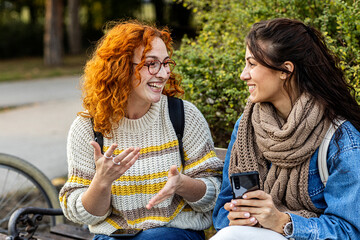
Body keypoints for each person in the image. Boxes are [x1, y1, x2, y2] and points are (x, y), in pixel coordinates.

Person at [59, 20, 223, 240]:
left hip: (173, 233)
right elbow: (83, 214)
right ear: (121, 68)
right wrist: (102, 182)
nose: (164, 73)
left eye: (166, 63)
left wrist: (182, 184)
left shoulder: (183, 115)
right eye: (151, 64)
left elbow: (214, 193)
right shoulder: (89, 128)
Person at [211, 18, 360, 240]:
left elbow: (351, 231)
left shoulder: (340, 139)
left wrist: (284, 223)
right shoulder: (246, 127)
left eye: (252, 64)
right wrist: (237, 217)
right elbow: (223, 213)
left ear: (285, 70)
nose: (243, 74)